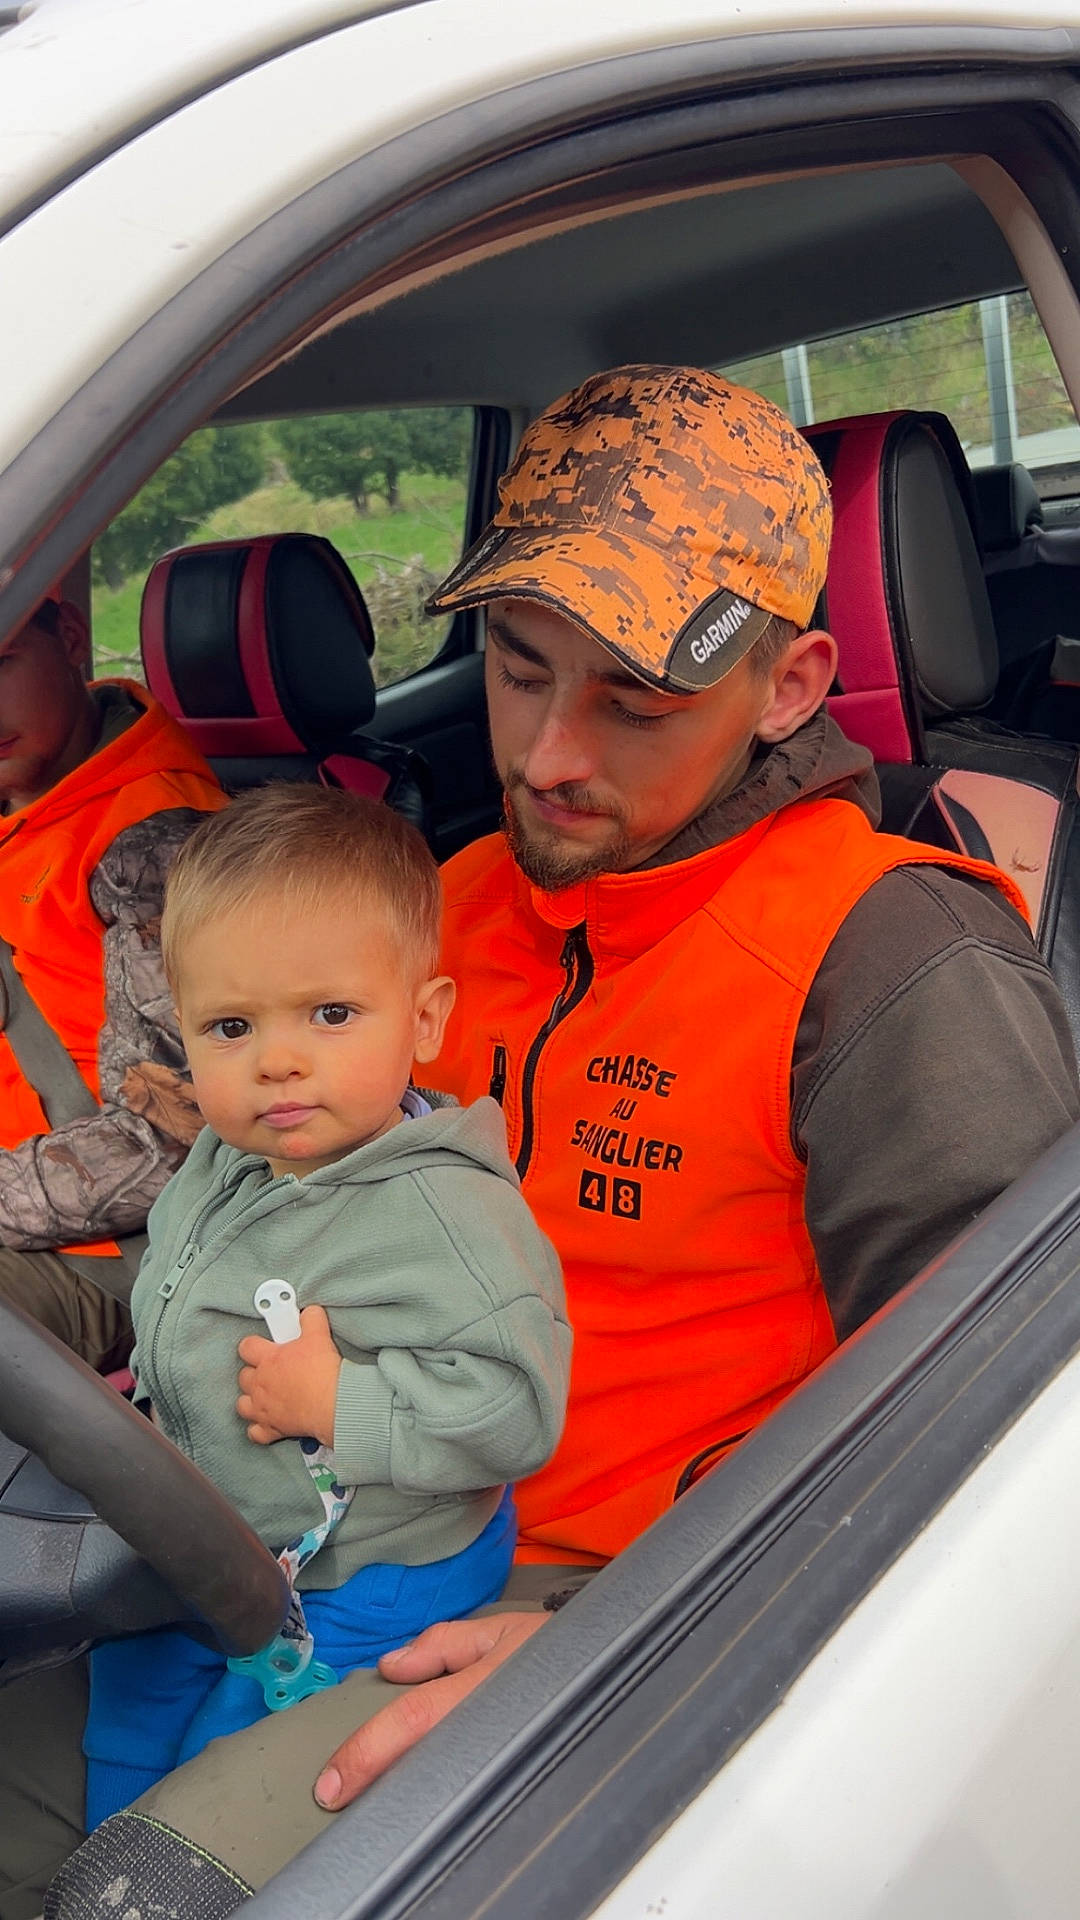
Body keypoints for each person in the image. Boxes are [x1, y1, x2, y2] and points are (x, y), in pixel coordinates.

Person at [11, 366, 1080, 1911]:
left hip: (615, 1592)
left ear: (788, 690)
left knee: (132, 1892)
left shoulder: (886, 961)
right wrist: (58, 1306)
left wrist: (627, 1642)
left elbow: (1001, 1457)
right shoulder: (445, 908)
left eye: (636, 701)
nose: (550, 756)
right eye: (518, 669)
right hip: (303, 1518)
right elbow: (242, 1217)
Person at [79, 782, 570, 1830]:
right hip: (217, 1528)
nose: (278, 1060)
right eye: (230, 1025)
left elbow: (516, 1411)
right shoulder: (228, 1156)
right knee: (124, 1694)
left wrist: (342, 1402)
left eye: (332, 1015)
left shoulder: (445, 1217)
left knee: (228, 1756)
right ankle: (100, 1843)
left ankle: (161, 1852)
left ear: (425, 1018)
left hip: (374, 1570)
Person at [0, 587, 226, 1371]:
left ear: (66, 635)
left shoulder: (155, 844)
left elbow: (173, 1139)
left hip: (101, 1251)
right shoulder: (34, 790)